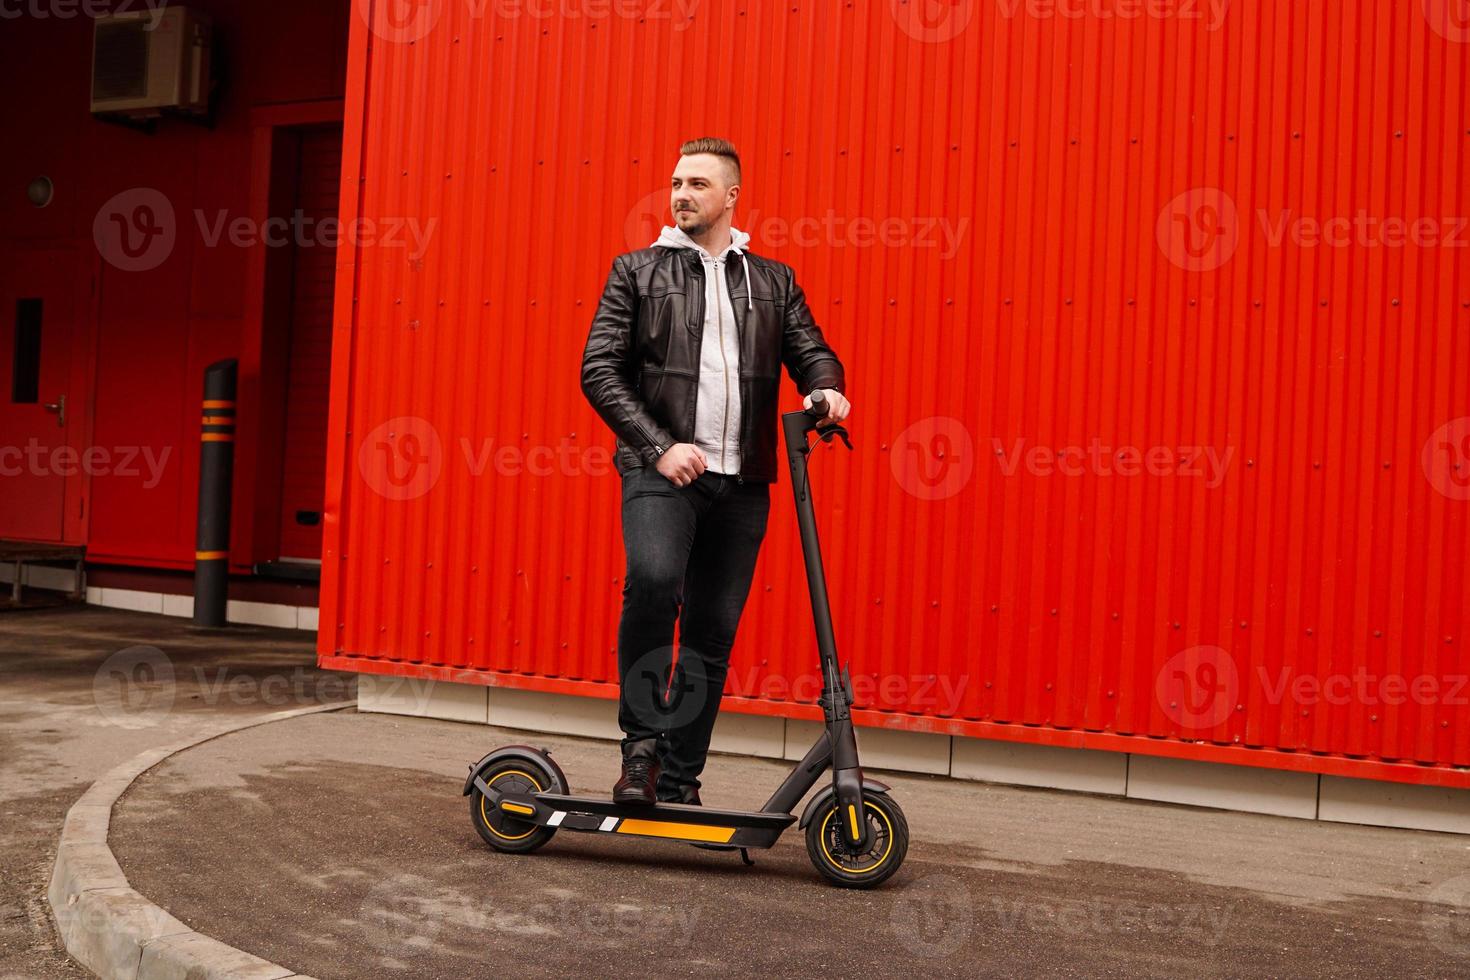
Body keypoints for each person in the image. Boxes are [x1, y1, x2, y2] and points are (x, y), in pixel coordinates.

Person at [580, 137, 851, 806]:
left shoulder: (773, 280)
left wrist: (824, 386)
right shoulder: (636, 272)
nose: (680, 194)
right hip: (661, 473)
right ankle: (640, 755)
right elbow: (599, 370)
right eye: (676, 182)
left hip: (742, 483)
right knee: (652, 583)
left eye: (697, 183)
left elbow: (812, 350)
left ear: (730, 196)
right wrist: (658, 445)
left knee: (711, 631)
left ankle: (678, 778)